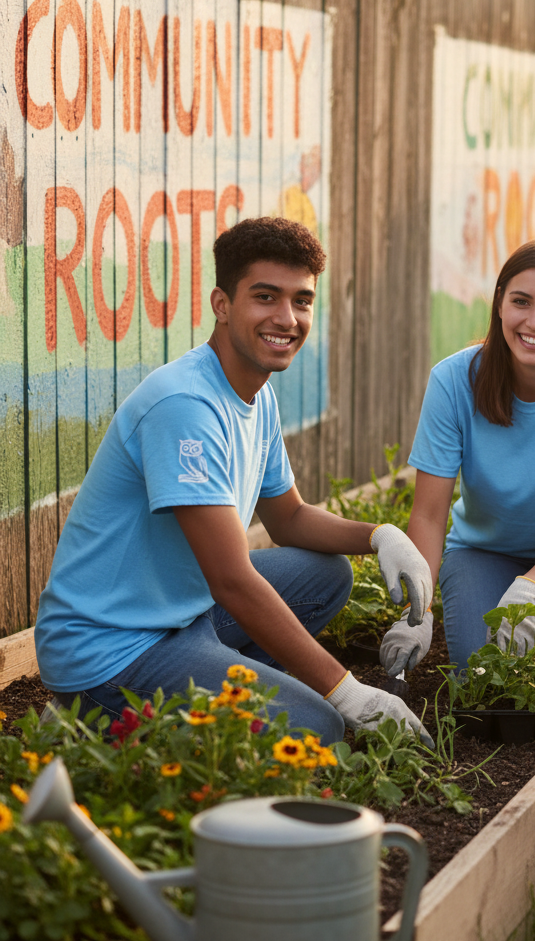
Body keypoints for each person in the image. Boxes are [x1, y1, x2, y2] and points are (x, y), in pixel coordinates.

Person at [34, 217, 433, 746]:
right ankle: (89, 715)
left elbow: (288, 519)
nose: (287, 318)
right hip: (112, 647)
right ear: (223, 304)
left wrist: (380, 534)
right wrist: (346, 690)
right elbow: (232, 580)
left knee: (326, 576)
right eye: (265, 296)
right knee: (318, 727)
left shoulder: (253, 392)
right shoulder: (186, 406)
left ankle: (209, 679)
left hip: (181, 611)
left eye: (302, 300)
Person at [378, 237, 535, 676]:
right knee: (478, 666)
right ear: (500, 304)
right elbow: (428, 514)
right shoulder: (454, 380)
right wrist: (415, 613)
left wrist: (531, 587)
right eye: (521, 301)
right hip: (483, 550)